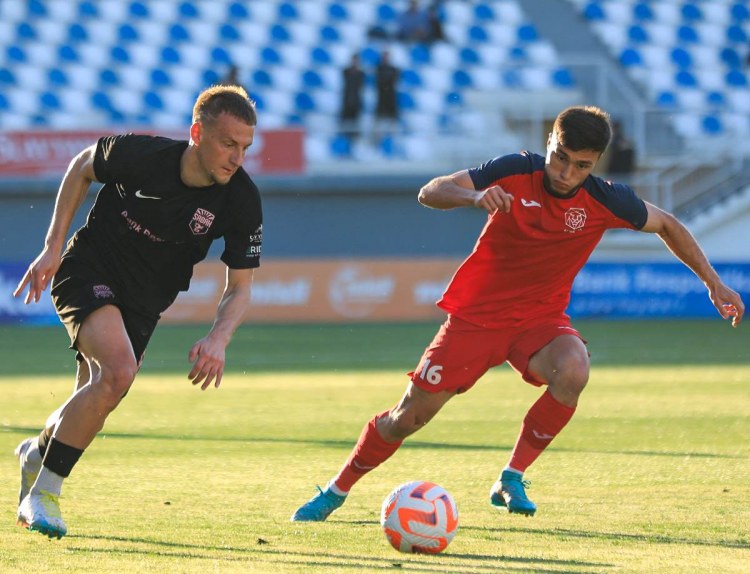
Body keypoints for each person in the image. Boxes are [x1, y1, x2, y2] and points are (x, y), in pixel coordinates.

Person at [291, 105, 744, 522]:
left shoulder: (606, 199)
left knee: (574, 369)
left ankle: (511, 477)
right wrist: (473, 198)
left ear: (596, 163)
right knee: (407, 419)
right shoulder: (514, 169)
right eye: (560, 157)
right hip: (476, 319)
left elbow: (667, 223)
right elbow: (430, 191)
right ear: (550, 142)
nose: (567, 173)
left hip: (539, 322)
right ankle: (336, 490)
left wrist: (713, 282)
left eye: (582, 165)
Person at [13, 84, 263, 539]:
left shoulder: (241, 198)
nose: (237, 158)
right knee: (118, 371)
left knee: (97, 394)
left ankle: (36, 455)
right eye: (228, 144)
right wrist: (52, 247)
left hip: (144, 303)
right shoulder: (142, 155)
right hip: (88, 269)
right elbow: (81, 167)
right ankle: (44, 494)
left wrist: (218, 337)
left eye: (245, 147)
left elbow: (240, 287)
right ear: (197, 134)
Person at [374, 50, 400, 144]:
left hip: (391, 100)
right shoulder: (379, 69)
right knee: (379, 123)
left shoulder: (394, 70)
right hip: (381, 100)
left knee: (392, 123)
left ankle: (393, 142)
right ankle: (377, 142)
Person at [340, 53, 366, 143]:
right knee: (346, 121)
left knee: (355, 121)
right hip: (347, 101)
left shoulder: (361, 73)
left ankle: (353, 138)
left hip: (356, 101)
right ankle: (344, 138)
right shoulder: (346, 71)